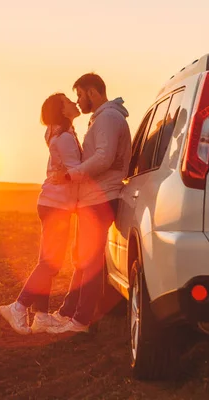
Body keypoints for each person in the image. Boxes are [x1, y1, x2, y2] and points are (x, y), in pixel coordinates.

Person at [47, 73, 131, 334]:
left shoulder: (107, 118)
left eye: (80, 95)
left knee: (91, 261)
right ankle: (68, 312)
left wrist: (72, 174)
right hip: (96, 197)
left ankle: (81, 320)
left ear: (93, 92)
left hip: (102, 197)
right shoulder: (103, 118)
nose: (78, 101)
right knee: (83, 258)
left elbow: (104, 158)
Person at [0, 93, 83, 335]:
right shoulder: (64, 137)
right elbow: (76, 171)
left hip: (53, 203)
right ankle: (18, 306)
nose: (75, 103)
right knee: (50, 263)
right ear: (61, 110)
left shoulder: (58, 132)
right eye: (69, 101)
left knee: (48, 262)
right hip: (57, 205)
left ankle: (42, 316)